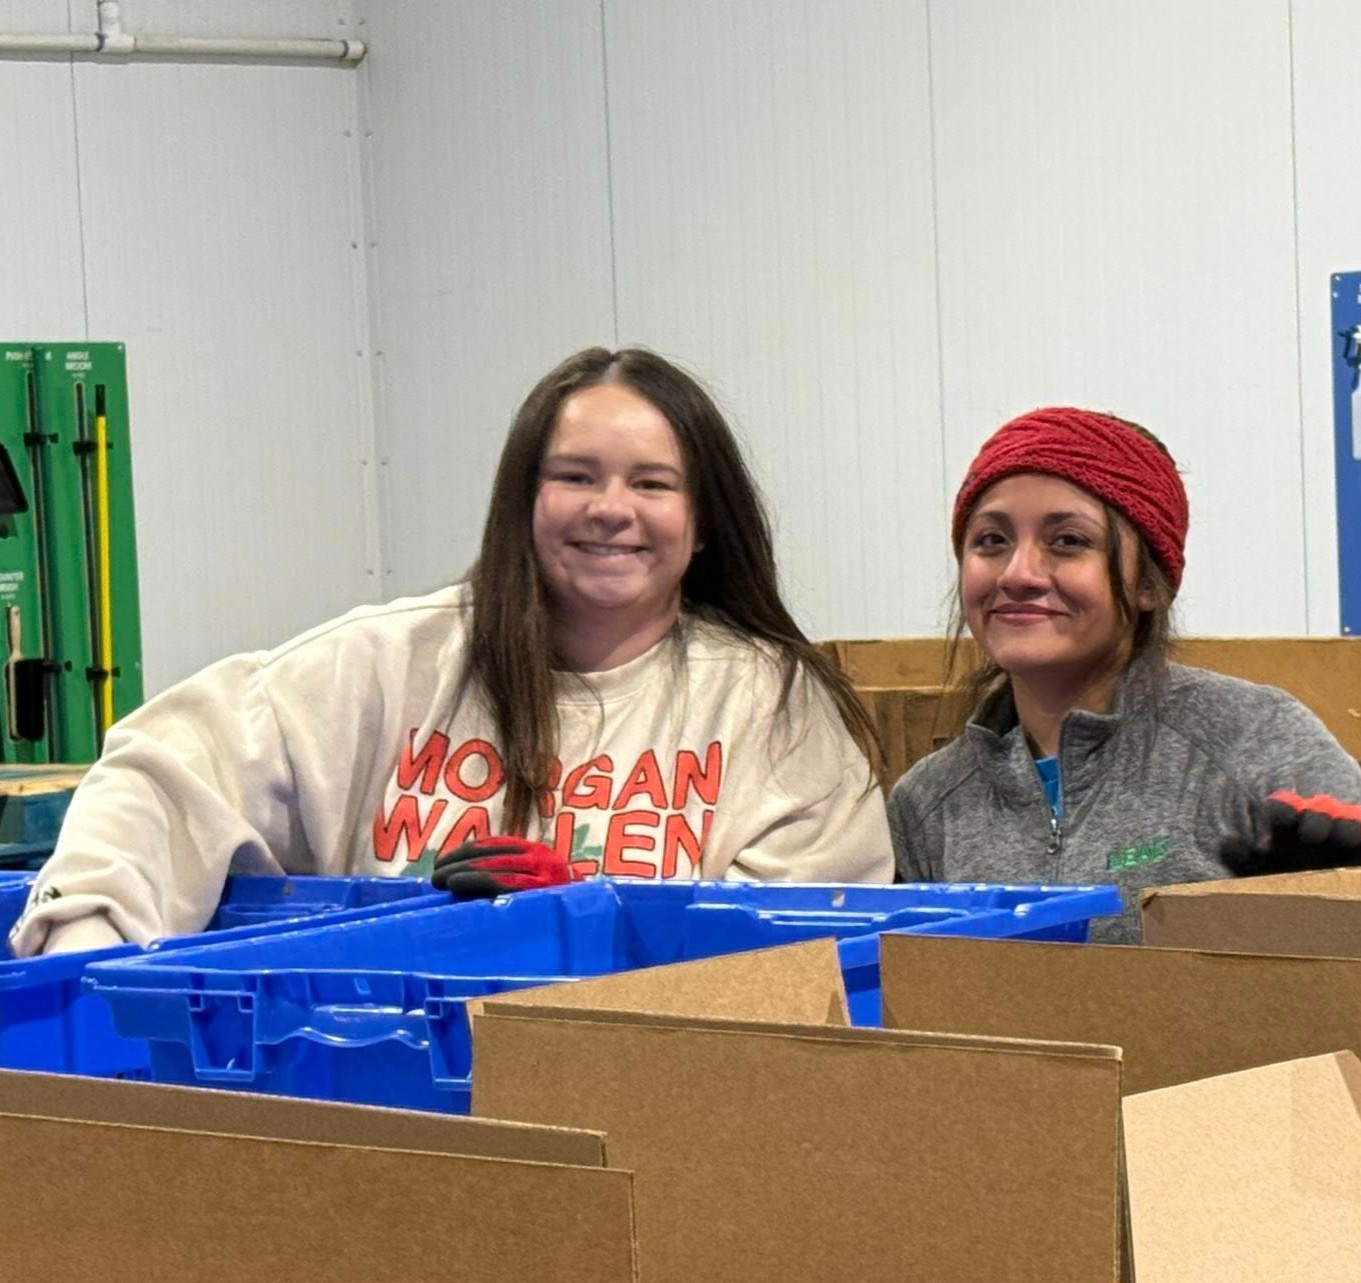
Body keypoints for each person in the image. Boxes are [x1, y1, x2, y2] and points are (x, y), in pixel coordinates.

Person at [12, 347, 892, 955]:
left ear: (703, 523)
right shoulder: (392, 664)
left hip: (656, 1102)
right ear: (522, 501)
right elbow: (166, 771)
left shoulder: (773, 707)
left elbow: (809, 957)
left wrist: (586, 922)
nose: (610, 509)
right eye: (575, 476)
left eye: (653, 483)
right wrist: (85, 941)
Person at [886, 406, 1361, 942]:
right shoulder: (927, 803)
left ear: (1150, 584)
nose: (1018, 574)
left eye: (1068, 541)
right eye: (991, 540)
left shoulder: (1255, 739)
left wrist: (1330, 915)